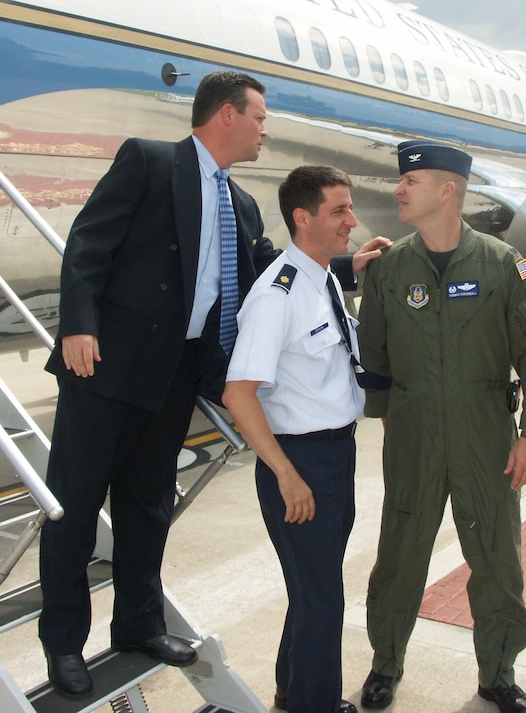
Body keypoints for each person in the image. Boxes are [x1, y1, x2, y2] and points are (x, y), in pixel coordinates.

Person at [38, 71, 379, 700]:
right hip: (105, 370)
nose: (265, 129)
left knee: (148, 508)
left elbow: (268, 284)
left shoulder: (241, 204)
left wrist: (348, 268)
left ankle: (139, 625)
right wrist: (78, 326)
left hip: (172, 380)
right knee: (77, 508)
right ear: (227, 115)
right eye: (259, 117)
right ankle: (64, 643)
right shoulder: (148, 162)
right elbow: (88, 242)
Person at [356, 141, 526, 713]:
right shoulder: (391, 268)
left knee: (496, 556)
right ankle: (384, 665)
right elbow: (375, 353)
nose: (398, 190)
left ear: (447, 191)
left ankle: (499, 674)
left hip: (487, 433)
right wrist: (397, 416)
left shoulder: (502, 264)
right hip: (415, 434)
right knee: (400, 553)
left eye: (410, 183)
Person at [222, 165, 379, 713]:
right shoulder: (278, 295)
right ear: (302, 217)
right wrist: (286, 474)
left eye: (349, 207)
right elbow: (239, 394)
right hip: (302, 463)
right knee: (323, 601)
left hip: (335, 454)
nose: (352, 221)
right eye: (339, 210)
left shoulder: (323, 276)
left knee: (311, 591)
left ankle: (292, 687)